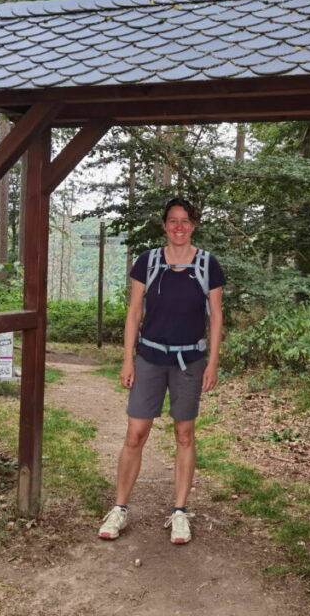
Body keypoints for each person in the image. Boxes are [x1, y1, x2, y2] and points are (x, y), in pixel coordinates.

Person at [98, 197, 225, 544]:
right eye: (173, 220)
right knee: (135, 434)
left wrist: (212, 362)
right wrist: (128, 359)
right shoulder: (148, 261)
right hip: (150, 358)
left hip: (190, 361)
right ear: (165, 225)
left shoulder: (208, 264)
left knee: (185, 434)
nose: (179, 227)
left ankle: (180, 512)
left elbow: (215, 316)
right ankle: (120, 508)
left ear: (194, 224)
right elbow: (134, 311)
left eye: (185, 220)